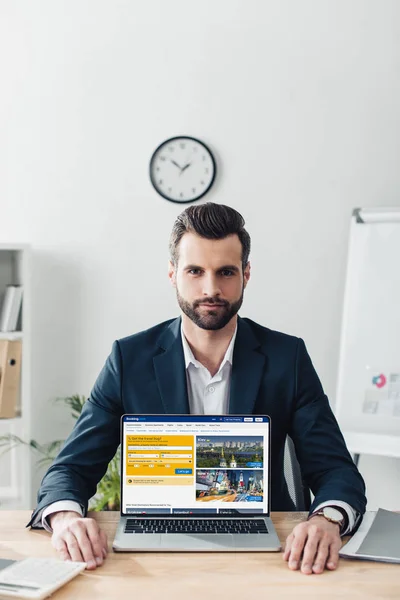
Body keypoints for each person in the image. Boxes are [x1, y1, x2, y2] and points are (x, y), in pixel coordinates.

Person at [28, 203, 366, 575]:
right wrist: (64, 518)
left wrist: (326, 520)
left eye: (226, 272)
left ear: (246, 274)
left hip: (270, 552)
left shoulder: (288, 357)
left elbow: (335, 469)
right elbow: (70, 469)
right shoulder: (129, 358)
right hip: (152, 552)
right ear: (173, 274)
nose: (211, 289)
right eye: (195, 271)